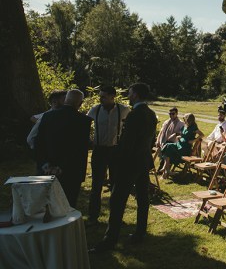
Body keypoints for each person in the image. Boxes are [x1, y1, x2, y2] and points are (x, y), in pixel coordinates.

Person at [90, 83, 157, 252]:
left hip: (130, 163)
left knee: (117, 199)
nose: (128, 94)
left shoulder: (134, 115)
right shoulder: (151, 114)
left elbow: (128, 143)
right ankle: (140, 232)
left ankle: (109, 240)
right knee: (142, 198)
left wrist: (119, 162)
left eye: (130, 92)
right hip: (143, 161)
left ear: (136, 95)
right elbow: (151, 141)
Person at [36, 89, 92, 208]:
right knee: (68, 205)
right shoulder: (83, 121)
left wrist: (45, 163)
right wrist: (61, 167)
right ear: (80, 103)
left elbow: (39, 143)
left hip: (47, 168)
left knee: (46, 203)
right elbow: (79, 150)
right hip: (71, 171)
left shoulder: (48, 116)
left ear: (65, 99)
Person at [87, 86, 131, 225]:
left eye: (103, 96)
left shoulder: (123, 110)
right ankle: (93, 217)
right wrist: (89, 140)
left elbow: (129, 128)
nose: (100, 99)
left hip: (115, 151)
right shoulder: (95, 109)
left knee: (115, 185)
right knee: (96, 185)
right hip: (99, 150)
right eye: (100, 96)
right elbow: (85, 125)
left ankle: (116, 217)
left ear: (113, 96)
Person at [27, 90, 67, 174]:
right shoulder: (45, 117)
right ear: (55, 102)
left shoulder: (66, 116)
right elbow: (31, 138)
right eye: (64, 100)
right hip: (47, 162)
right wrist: (42, 157)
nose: (67, 102)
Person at [160, 113, 203, 179]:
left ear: (188, 119)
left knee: (168, 148)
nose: (183, 119)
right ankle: (166, 169)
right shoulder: (185, 125)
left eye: (184, 118)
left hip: (185, 148)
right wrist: (179, 137)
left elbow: (202, 135)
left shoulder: (193, 127)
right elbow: (182, 135)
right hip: (179, 145)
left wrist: (194, 140)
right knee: (167, 146)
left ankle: (165, 170)